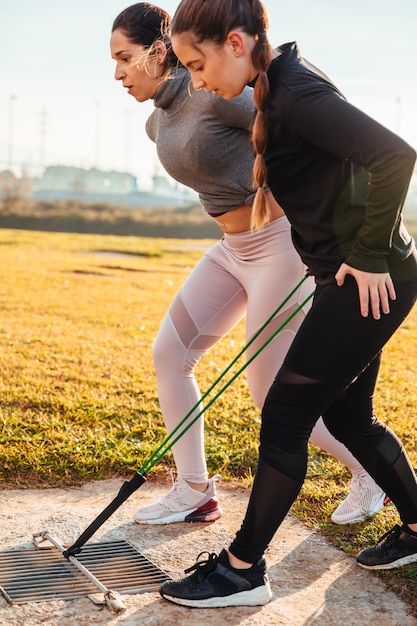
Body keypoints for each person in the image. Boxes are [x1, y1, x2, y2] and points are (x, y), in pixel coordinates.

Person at [155, 0, 417, 609]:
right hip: (346, 278)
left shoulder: (295, 93)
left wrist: (370, 253)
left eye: (198, 64)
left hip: (370, 281)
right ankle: (415, 527)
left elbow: (396, 156)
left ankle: (242, 570)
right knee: (351, 417)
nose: (196, 80)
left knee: (286, 415)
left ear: (237, 43)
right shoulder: (276, 90)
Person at [110, 2, 386, 529]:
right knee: (170, 354)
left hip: (282, 248)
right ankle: (194, 490)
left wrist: (344, 226)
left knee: (269, 394)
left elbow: (303, 123)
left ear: (158, 52)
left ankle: (371, 471)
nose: (118, 73)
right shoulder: (155, 124)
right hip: (233, 250)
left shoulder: (216, 95)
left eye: (125, 58)